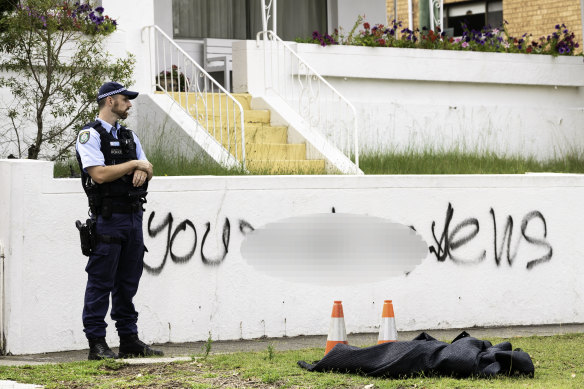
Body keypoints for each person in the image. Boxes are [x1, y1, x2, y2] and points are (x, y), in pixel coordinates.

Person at [75, 82, 162, 360]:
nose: (130, 104)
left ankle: (128, 339)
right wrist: (135, 165)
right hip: (108, 218)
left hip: (134, 216)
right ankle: (96, 344)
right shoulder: (89, 134)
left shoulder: (129, 136)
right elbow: (99, 174)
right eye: (125, 99)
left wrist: (144, 170)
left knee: (127, 282)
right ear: (110, 101)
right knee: (101, 282)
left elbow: (147, 167)